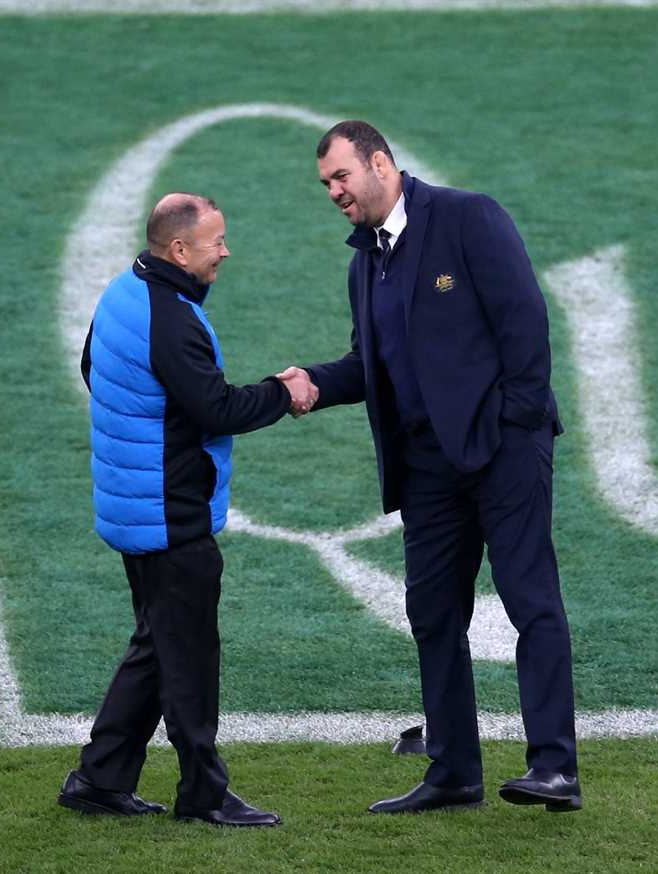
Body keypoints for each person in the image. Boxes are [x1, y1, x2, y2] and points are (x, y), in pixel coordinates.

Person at [279, 121, 580, 814]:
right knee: (433, 612)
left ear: (380, 163)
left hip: (501, 452)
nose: (333, 192)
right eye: (325, 183)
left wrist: (518, 423)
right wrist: (312, 383)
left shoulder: (467, 217)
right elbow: (369, 364)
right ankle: (453, 771)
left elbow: (524, 321)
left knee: (530, 599)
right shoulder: (365, 263)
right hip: (428, 469)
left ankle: (555, 767)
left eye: (341, 177)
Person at [57, 193, 315, 827]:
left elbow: (94, 367)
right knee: (190, 656)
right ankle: (202, 794)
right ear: (179, 249)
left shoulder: (124, 291)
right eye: (215, 242)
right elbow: (217, 409)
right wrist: (284, 393)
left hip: (135, 505)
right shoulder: (171, 320)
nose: (224, 252)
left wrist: (145, 423)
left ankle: (99, 778)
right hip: (169, 513)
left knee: (157, 642)